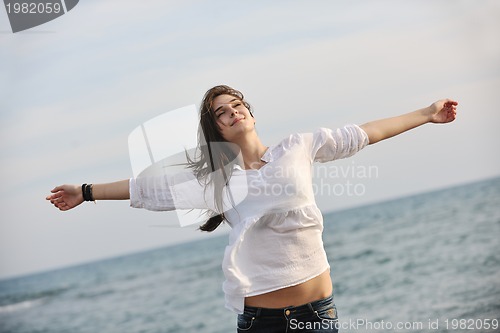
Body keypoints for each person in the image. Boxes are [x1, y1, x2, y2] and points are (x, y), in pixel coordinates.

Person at [46, 85, 457, 332]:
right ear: (217, 130)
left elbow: (363, 134)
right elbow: (147, 189)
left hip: (318, 312)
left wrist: (426, 114)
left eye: (236, 104)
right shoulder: (215, 183)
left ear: (251, 113)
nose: (232, 111)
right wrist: (86, 191)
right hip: (261, 321)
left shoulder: (298, 146)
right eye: (221, 113)